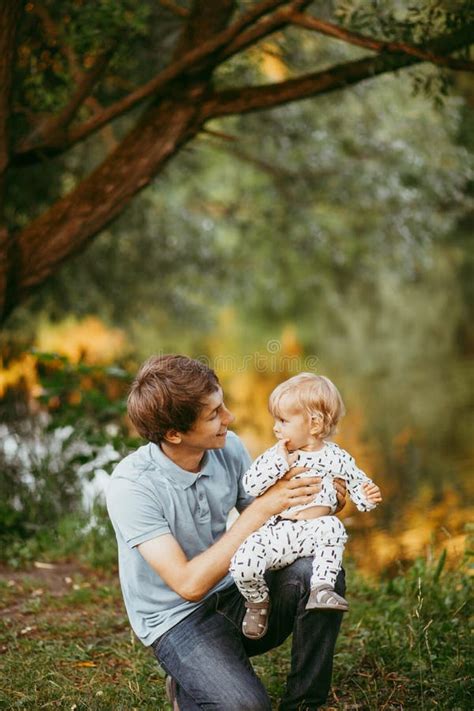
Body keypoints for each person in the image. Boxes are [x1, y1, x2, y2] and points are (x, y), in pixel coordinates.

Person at [106, 355, 347, 711]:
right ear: (174, 434)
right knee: (246, 707)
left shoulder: (228, 447)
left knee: (319, 572)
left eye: (223, 405)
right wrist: (265, 508)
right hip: (177, 620)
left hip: (239, 593)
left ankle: (304, 703)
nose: (229, 419)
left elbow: (273, 522)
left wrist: (324, 503)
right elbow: (189, 585)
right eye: (214, 414)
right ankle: (191, 681)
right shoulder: (132, 487)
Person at [230, 373, 382, 640]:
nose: (276, 428)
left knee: (334, 528)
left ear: (314, 423)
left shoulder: (337, 457)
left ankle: (321, 588)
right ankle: (257, 600)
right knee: (243, 560)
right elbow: (251, 486)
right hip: (280, 531)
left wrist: (367, 496)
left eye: (283, 421)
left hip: (315, 530)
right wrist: (278, 463)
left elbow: (358, 484)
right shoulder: (278, 455)